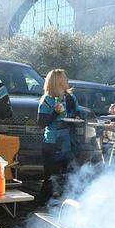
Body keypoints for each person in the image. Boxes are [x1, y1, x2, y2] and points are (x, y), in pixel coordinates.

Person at [36, 69, 81, 204]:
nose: (67, 81)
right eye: (64, 79)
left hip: (69, 142)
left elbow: (76, 113)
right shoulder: (47, 99)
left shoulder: (70, 97)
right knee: (51, 178)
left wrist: (77, 116)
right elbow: (41, 123)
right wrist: (55, 113)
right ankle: (41, 206)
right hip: (52, 143)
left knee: (67, 177)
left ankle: (63, 207)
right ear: (57, 82)